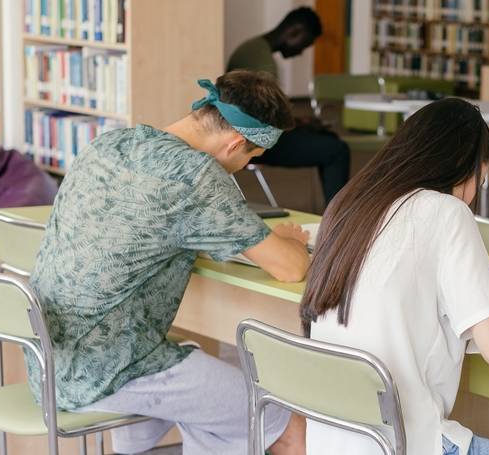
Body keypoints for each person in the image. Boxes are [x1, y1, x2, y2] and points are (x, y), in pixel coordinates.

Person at [27, 71, 309, 455]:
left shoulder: (110, 142)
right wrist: (287, 241)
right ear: (235, 143)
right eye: (251, 158)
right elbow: (291, 268)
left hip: (49, 359)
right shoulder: (197, 176)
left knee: (206, 389)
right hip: (109, 371)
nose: (244, 167)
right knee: (285, 423)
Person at [300, 98, 489, 455]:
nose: (471, 199)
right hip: (408, 442)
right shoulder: (445, 211)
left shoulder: (348, 202)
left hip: (334, 440)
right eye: (479, 183)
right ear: (463, 166)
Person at [227, 6, 350, 205]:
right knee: (337, 150)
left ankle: (334, 211)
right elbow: (266, 115)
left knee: (327, 140)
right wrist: (300, 124)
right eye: (304, 44)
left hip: (245, 134)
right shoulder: (261, 60)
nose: (300, 52)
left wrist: (300, 121)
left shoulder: (252, 48)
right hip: (257, 142)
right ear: (294, 32)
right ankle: (339, 217)